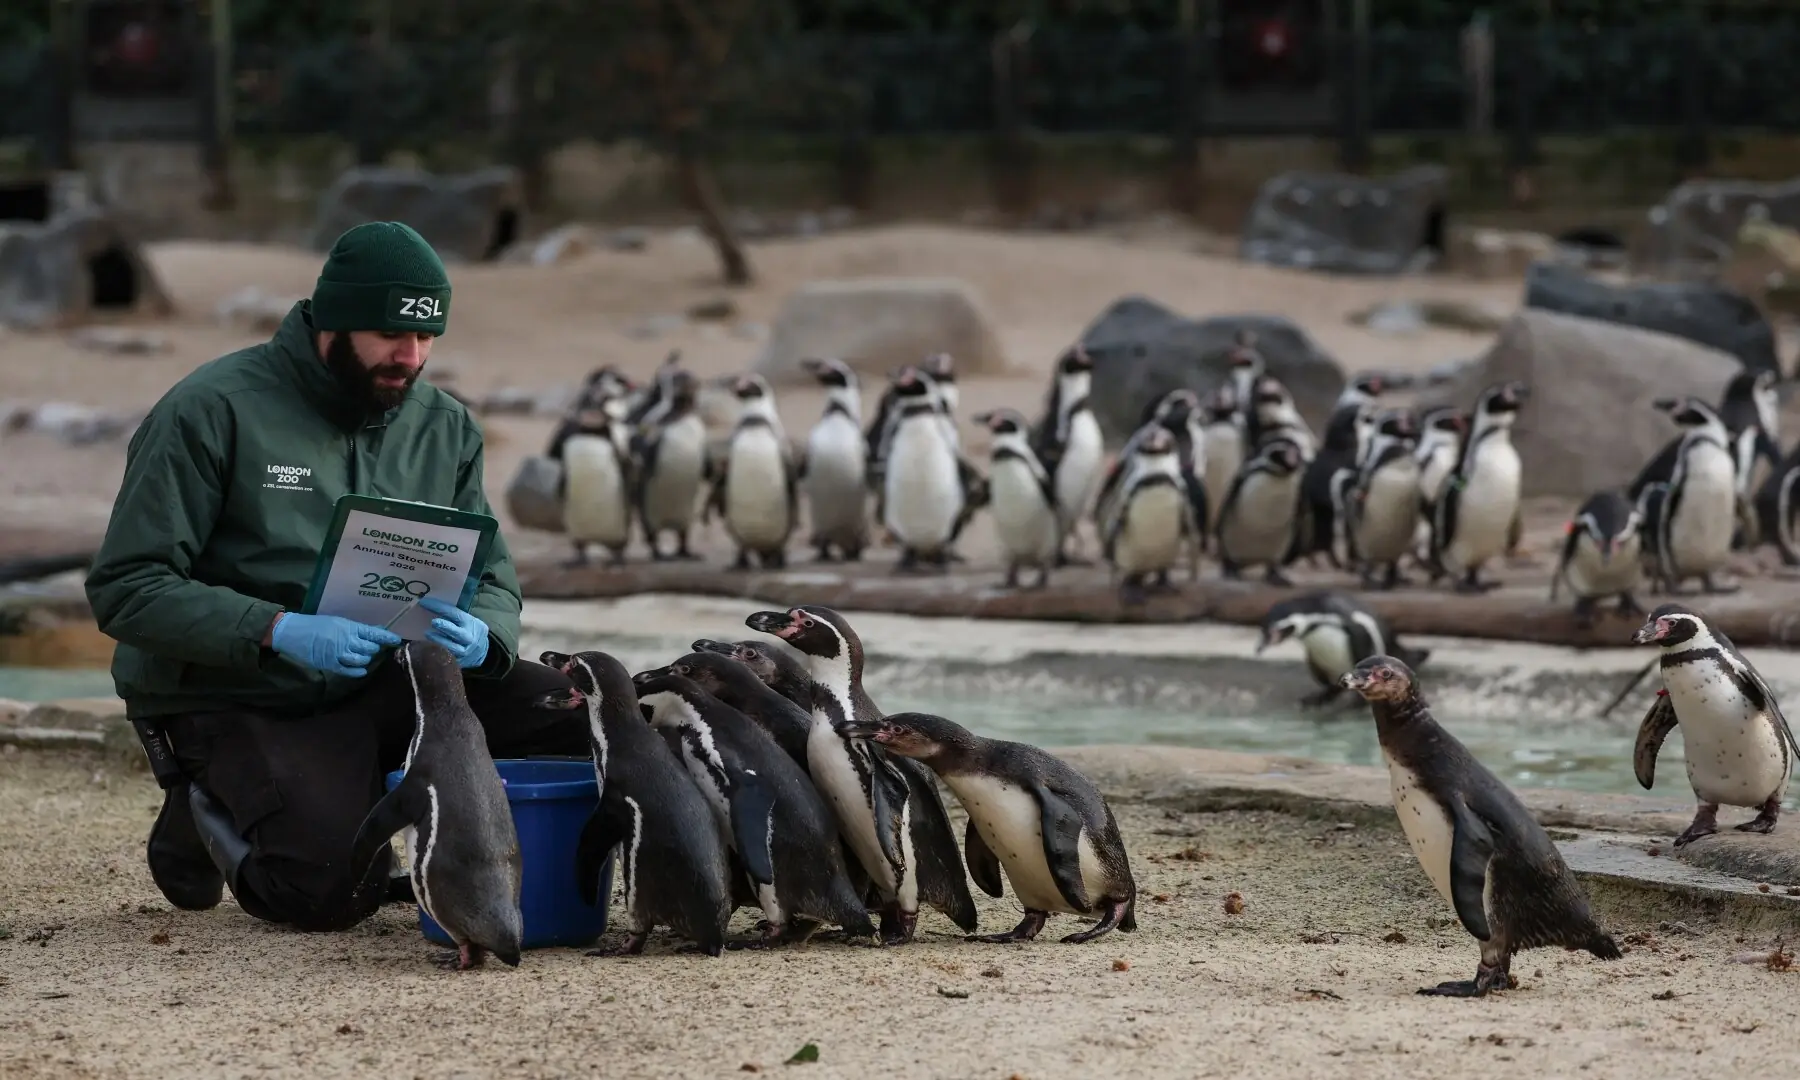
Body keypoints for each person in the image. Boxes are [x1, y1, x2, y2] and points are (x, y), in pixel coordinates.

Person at [83, 221, 588, 933]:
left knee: (585, 716)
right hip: (242, 691)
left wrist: (490, 636)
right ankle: (203, 802)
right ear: (335, 320)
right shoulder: (210, 411)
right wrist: (277, 628)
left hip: (387, 678)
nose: (410, 357)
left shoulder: (442, 428)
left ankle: (393, 814)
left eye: (426, 337)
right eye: (389, 335)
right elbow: (126, 587)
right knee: (323, 892)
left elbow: (492, 573)